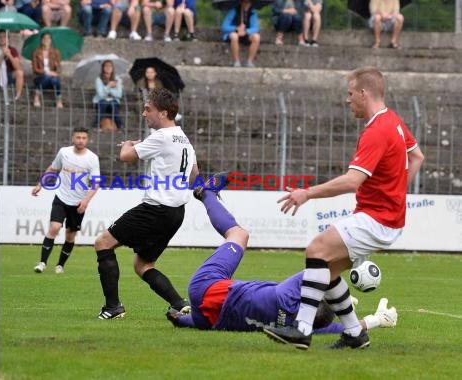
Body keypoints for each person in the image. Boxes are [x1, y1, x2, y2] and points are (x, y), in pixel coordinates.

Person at [265, 67, 424, 350]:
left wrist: (307, 194)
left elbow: (353, 181)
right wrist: (397, 192)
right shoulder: (394, 122)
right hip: (385, 217)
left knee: (315, 250)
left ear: (364, 93)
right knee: (328, 271)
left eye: (350, 94)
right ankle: (354, 333)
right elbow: (417, 156)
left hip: (377, 219)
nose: (347, 100)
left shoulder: (378, 130)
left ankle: (302, 330)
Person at [167, 177, 399, 334]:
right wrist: (378, 320)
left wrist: (341, 287)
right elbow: (343, 327)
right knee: (217, 319)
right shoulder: (300, 325)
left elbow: (322, 270)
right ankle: (182, 320)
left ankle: (206, 193)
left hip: (205, 287)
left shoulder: (285, 296)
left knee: (238, 235)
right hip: (209, 318)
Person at [94, 88, 199, 319]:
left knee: (103, 243)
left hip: (155, 209)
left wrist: (128, 144)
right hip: (176, 213)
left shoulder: (161, 137)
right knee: (143, 265)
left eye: (147, 109)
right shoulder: (184, 139)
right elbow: (194, 174)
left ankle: (113, 308)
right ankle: (179, 304)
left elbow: (126, 156)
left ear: (163, 113)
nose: (144, 113)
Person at [32, 128, 100, 274]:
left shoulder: (92, 158)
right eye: (78, 137)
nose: (80, 140)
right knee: (54, 228)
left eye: (83, 138)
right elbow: (53, 168)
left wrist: (86, 201)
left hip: (78, 203)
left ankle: (60, 265)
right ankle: (42, 263)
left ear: (87, 140)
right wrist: (40, 185)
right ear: (72, 138)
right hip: (61, 198)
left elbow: (96, 184)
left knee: (70, 235)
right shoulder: (64, 152)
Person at [221, 0, 260, 68]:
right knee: (234, 36)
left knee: (256, 37)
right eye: (245, 2)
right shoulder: (233, 11)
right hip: (234, 33)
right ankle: (236, 60)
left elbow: (255, 28)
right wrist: (236, 29)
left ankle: (249, 61)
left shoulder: (252, 12)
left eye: (248, 2)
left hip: (246, 34)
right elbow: (224, 27)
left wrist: (246, 31)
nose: (246, 4)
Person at [32, 31, 63, 108]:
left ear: (51, 40)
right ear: (41, 40)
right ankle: (37, 96)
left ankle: (58, 99)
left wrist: (57, 66)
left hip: (52, 78)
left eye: (48, 38)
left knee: (55, 80)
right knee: (46, 76)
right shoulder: (36, 52)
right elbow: (35, 69)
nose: (46, 40)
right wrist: (47, 72)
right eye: (44, 38)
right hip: (40, 78)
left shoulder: (56, 52)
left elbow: (59, 70)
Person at [93, 59, 124, 129]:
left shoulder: (117, 79)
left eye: (110, 66)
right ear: (103, 68)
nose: (108, 68)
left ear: (113, 68)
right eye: (106, 66)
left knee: (113, 105)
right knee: (103, 104)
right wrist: (109, 86)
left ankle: (120, 125)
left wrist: (109, 91)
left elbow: (119, 94)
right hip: (101, 101)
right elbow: (101, 95)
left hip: (113, 102)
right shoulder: (99, 79)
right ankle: (96, 124)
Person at [0, 29, 25, 101]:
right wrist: (2, 55)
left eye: (4, 37)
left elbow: (17, 66)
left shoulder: (12, 50)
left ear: (7, 39)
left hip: (9, 74)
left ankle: (17, 96)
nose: (2, 39)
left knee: (20, 72)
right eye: (0, 37)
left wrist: (9, 55)